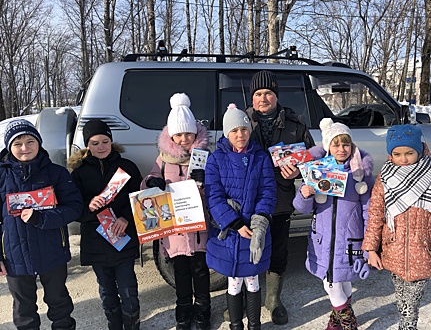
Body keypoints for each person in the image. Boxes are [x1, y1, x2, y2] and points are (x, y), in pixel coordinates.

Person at [362, 124, 431, 330]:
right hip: (393, 250)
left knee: (411, 301)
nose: (403, 159)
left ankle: (407, 326)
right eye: (397, 154)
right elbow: (376, 214)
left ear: (420, 150)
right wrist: (371, 249)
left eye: (409, 153)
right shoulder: (385, 178)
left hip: (424, 250)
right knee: (401, 297)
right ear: (391, 154)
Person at [244, 70, 315, 325]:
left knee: (278, 250)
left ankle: (272, 299)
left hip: (281, 199)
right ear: (252, 98)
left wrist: (299, 170)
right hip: (247, 200)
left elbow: (313, 162)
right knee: (246, 251)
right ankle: (245, 300)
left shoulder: (295, 125)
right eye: (259, 94)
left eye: (269, 93)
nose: (263, 98)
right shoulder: (240, 123)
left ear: (276, 96)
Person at [0, 119, 83, 330]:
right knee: (24, 310)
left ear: (39, 143)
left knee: (59, 304)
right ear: (9, 147)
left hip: (52, 250)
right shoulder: (1, 176)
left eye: (30, 141)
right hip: (14, 255)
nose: (25, 148)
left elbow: (74, 207)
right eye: (18, 144)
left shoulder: (56, 173)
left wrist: (42, 218)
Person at [293, 118, 375, 330]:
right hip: (323, 240)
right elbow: (302, 208)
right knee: (332, 282)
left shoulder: (360, 175)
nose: (341, 149)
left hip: (349, 240)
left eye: (345, 143)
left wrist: (369, 242)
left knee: (342, 281)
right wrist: (304, 194)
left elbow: (369, 210)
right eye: (336, 144)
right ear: (328, 146)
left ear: (352, 145)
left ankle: (340, 323)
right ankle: (345, 322)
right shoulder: (317, 171)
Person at [140, 93, 211, 330]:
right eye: (178, 134)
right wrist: (151, 183)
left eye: (188, 134)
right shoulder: (163, 159)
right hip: (174, 230)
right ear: (171, 135)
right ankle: (183, 309)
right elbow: (150, 178)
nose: (184, 139)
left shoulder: (204, 157)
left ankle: (203, 308)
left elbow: (217, 188)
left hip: (198, 226)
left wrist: (206, 179)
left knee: (200, 270)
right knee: (180, 270)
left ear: (195, 134)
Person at [205, 104, 277, 330]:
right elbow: (213, 195)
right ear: (227, 133)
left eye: (243, 130)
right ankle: (236, 324)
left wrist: (259, 224)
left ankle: (254, 324)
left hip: (254, 229)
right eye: (234, 131)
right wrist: (233, 222)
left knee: (253, 279)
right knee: (234, 281)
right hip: (229, 232)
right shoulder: (216, 159)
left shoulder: (261, 157)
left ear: (249, 130)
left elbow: (267, 191)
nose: (240, 135)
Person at [68, 119, 142, 330]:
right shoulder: (79, 173)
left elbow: (140, 199)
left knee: (128, 288)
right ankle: (114, 326)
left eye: (105, 141)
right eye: (94, 143)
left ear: (111, 141)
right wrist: (89, 206)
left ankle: (132, 326)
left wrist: (126, 217)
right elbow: (73, 208)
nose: (100, 147)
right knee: (106, 290)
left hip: (123, 238)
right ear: (87, 146)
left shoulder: (127, 167)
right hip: (95, 240)